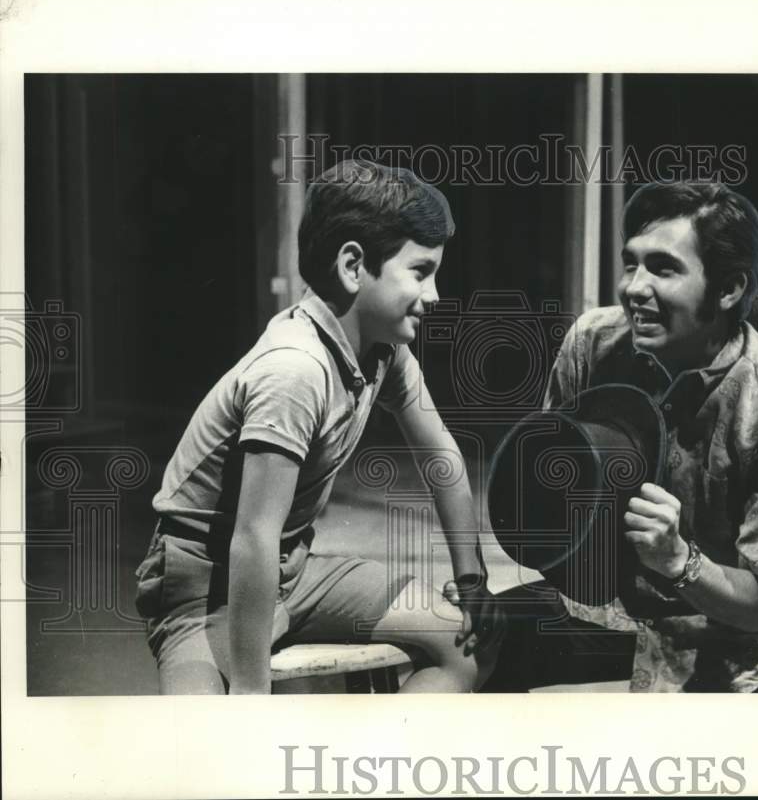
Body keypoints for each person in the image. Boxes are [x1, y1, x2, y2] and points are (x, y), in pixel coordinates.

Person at [135, 160, 503, 694]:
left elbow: (441, 457)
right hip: (202, 587)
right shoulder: (294, 368)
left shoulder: (384, 351)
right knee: (211, 749)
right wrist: (250, 688)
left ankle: (366, 769)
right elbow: (252, 537)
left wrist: (471, 581)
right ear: (354, 266)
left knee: (467, 647)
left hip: (291, 569)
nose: (435, 296)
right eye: (421, 272)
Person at [485, 181, 758, 693]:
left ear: (729, 288)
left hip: (734, 635)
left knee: (742, 762)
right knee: (472, 639)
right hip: (610, 609)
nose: (633, 288)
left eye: (663, 268)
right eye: (631, 263)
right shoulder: (592, 343)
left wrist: (676, 559)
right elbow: (548, 498)